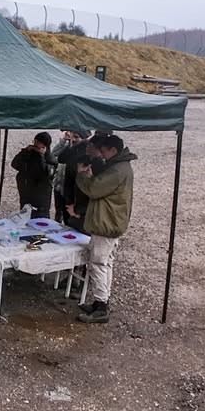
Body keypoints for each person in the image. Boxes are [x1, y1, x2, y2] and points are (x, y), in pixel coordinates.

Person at [75, 134, 137, 324]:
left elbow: (94, 189)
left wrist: (81, 174)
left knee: (98, 264)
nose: (101, 154)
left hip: (106, 224)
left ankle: (101, 307)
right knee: (106, 263)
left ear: (113, 150)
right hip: (111, 222)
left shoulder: (118, 170)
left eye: (103, 150)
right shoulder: (120, 167)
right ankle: (101, 301)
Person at [11, 131, 54, 220]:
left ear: (45, 145)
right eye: (35, 141)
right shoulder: (29, 154)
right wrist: (25, 151)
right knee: (25, 220)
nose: (35, 144)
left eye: (38, 142)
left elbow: (46, 173)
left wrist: (42, 156)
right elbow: (15, 164)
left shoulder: (50, 158)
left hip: (41, 200)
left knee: (40, 223)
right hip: (26, 195)